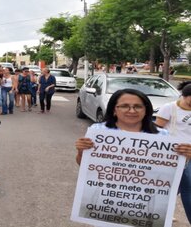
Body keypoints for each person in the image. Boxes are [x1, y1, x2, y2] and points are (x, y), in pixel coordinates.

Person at [75, 88, 191, 164]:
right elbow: (85, 165)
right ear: (114, 110)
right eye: (125, 106)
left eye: (138, 106)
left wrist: (184, 157)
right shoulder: (98, 131)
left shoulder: (162, 135)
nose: (132, 111)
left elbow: (171, 170)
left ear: (146, 110)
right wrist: (81, 152)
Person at [155, 81, 191, 223]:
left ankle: (163, 212)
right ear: (183, 96)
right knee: (171, 186)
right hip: (172, 155)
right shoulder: (169, 108)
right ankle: (160, 213)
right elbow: (157, 130)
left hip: (190, 156)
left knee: (184, 187)